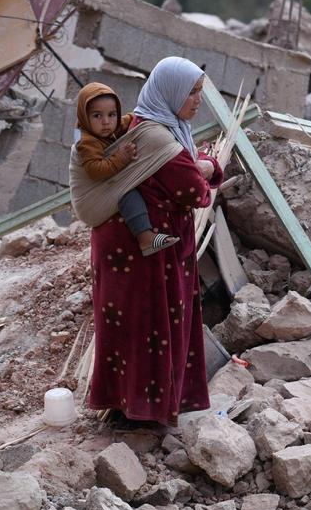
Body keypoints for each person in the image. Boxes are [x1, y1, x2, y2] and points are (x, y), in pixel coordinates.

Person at [86, 56, 223, 429]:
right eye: (191, 93)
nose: (197, 100)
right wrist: (208, 167)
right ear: (171, 93)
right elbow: (196, 192)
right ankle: (144, 413)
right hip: (146, 254)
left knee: (125, 325)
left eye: (199, 92)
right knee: (150, 327)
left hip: (122, 247)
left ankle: (123, 405)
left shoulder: (141, 124)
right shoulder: (162, 141)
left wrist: (200, 164)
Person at [74, 82, 180, 256]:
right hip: (91, 198)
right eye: (97, 116)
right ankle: (145, 238)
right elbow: (95, 170)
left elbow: (130, 119)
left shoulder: (111, 127)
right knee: (128, 194)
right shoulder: (85, 141)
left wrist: (146, 117)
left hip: (106, 183)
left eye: (112, 114)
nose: (106, 122)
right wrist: (120, 158)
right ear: (84, 117)